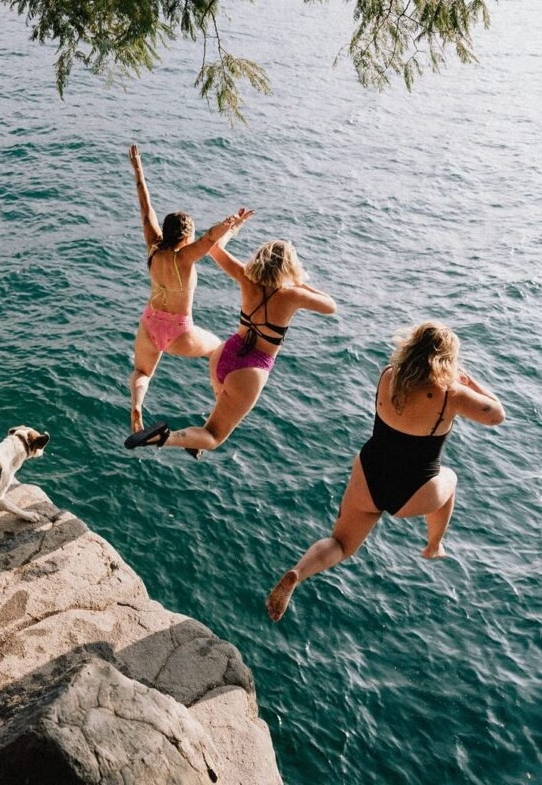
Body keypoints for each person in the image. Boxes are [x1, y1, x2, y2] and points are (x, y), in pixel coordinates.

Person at [266, 321, 505, 622]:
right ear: (447, 360)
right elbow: (497, 414)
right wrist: (468, 383)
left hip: (369, 475)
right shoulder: (451, 394)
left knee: (339, 544)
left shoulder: (389, 376)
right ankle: (434, 545)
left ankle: (298, 573)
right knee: (451, 479)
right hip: (414, 490)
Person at [125, 228, 336, 454]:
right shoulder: (293, 296)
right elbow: (330, 305)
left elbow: (214, 249)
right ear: (289, 269)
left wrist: (233, 228)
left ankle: (195, 442)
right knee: (214, 437)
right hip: (250, 369)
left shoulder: (246, 277)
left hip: (224, 355)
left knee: (220, 409)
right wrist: (297, 282)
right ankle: (166, 437)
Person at [127, 144, 252, 434]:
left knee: (142, 372)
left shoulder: (154, 248)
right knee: (219, 350)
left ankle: (136, 406)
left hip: (149, 323)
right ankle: (218, 407)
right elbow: (210, 240)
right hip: (179, 332)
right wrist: (230, 222)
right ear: (185, 239)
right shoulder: (184, 258)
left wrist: (138, 169)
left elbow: (146, 209)